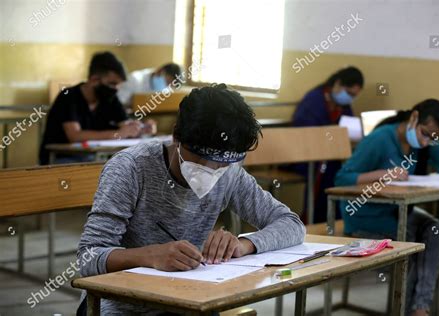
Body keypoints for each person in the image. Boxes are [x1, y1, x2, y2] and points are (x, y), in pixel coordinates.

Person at [76, 83, 306, 315]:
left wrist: (244, 244)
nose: (211, 169)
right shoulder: (131, 168)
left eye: (222, 163)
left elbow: (292, 224)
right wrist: (150, 256)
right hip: (122, 305)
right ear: (177, 136)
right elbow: (88, 257)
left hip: (190, 302)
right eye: (201, 158)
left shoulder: (230, 173)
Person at [334, 99, 439, 316]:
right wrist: (382, 175)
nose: (427, 142)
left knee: (437, 231)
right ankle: (406, 312)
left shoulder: (425, 141)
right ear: (414, 117)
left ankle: (420, 308)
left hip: (398, 213)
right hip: (365, 216)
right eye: (425, 134)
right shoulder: (379, 140)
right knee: (413, 244)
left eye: (433, 137)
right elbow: (342, 179)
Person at [40, 52, 156, 165]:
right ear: (94, 80)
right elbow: (75, 136)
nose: (116, 89)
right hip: (62, 158)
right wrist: (118, 133)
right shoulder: (68, 97)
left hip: (93, 157)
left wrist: (141, 128)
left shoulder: (110, 99)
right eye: (112, 83)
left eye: (118, 85)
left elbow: (125, 126)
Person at [291, 66, 364, 223]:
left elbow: (348, 128)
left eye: (354, 96)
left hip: (331, 156)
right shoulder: (314, 101)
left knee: (347, 172)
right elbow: (304, 133)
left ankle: (337, 221)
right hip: (306, 156)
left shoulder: (342, 105)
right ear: (337, 83)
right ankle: (316, 221)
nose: (350, 99)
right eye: (349, 93)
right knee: (331, 174)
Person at [117, 63, 183, 107]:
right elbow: (120, 103)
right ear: (160, 71)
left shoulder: (166, 90)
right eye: (167, 82)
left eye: (169, 85)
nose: (166, 86)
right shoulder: (134, 79)